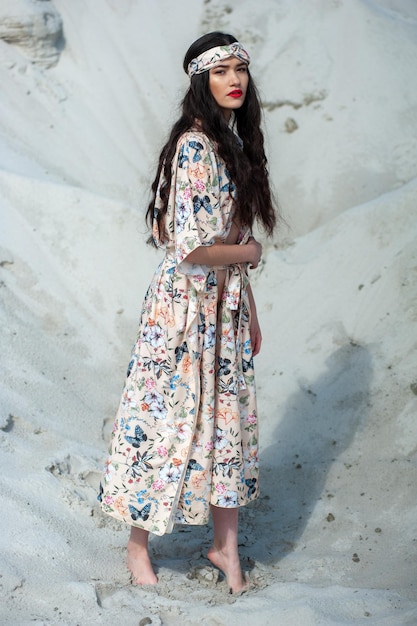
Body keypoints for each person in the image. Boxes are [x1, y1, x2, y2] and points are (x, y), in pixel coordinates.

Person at [99, 31, 277, 594]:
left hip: (223, 309)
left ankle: (225, 547)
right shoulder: (194, 145)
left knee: (227, 423)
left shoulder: (234, 145)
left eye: (240, 70)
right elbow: (191, 248)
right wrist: (249, 256)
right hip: (183, 309)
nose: (234, 81)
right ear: (201, 80)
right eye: (221, 71)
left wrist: (247, 304)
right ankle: (136, 546)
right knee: (162, 421)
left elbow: (236, 234)